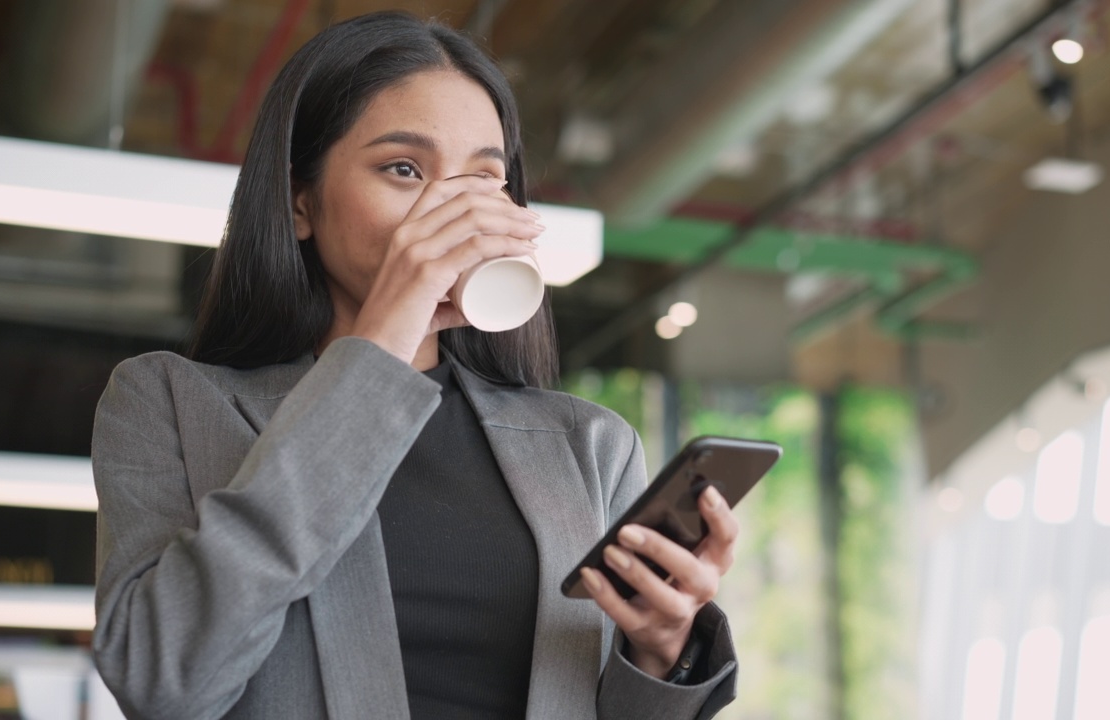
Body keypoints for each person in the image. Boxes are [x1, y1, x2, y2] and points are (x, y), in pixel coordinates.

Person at [90, 11, 740, 720]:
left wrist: (662, 649)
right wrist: (383, 340)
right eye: (404, 169)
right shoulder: (170, 403)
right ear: (299, 200)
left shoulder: (589, 445)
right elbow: (160, 682)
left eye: (482, 179)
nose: (451, 211)